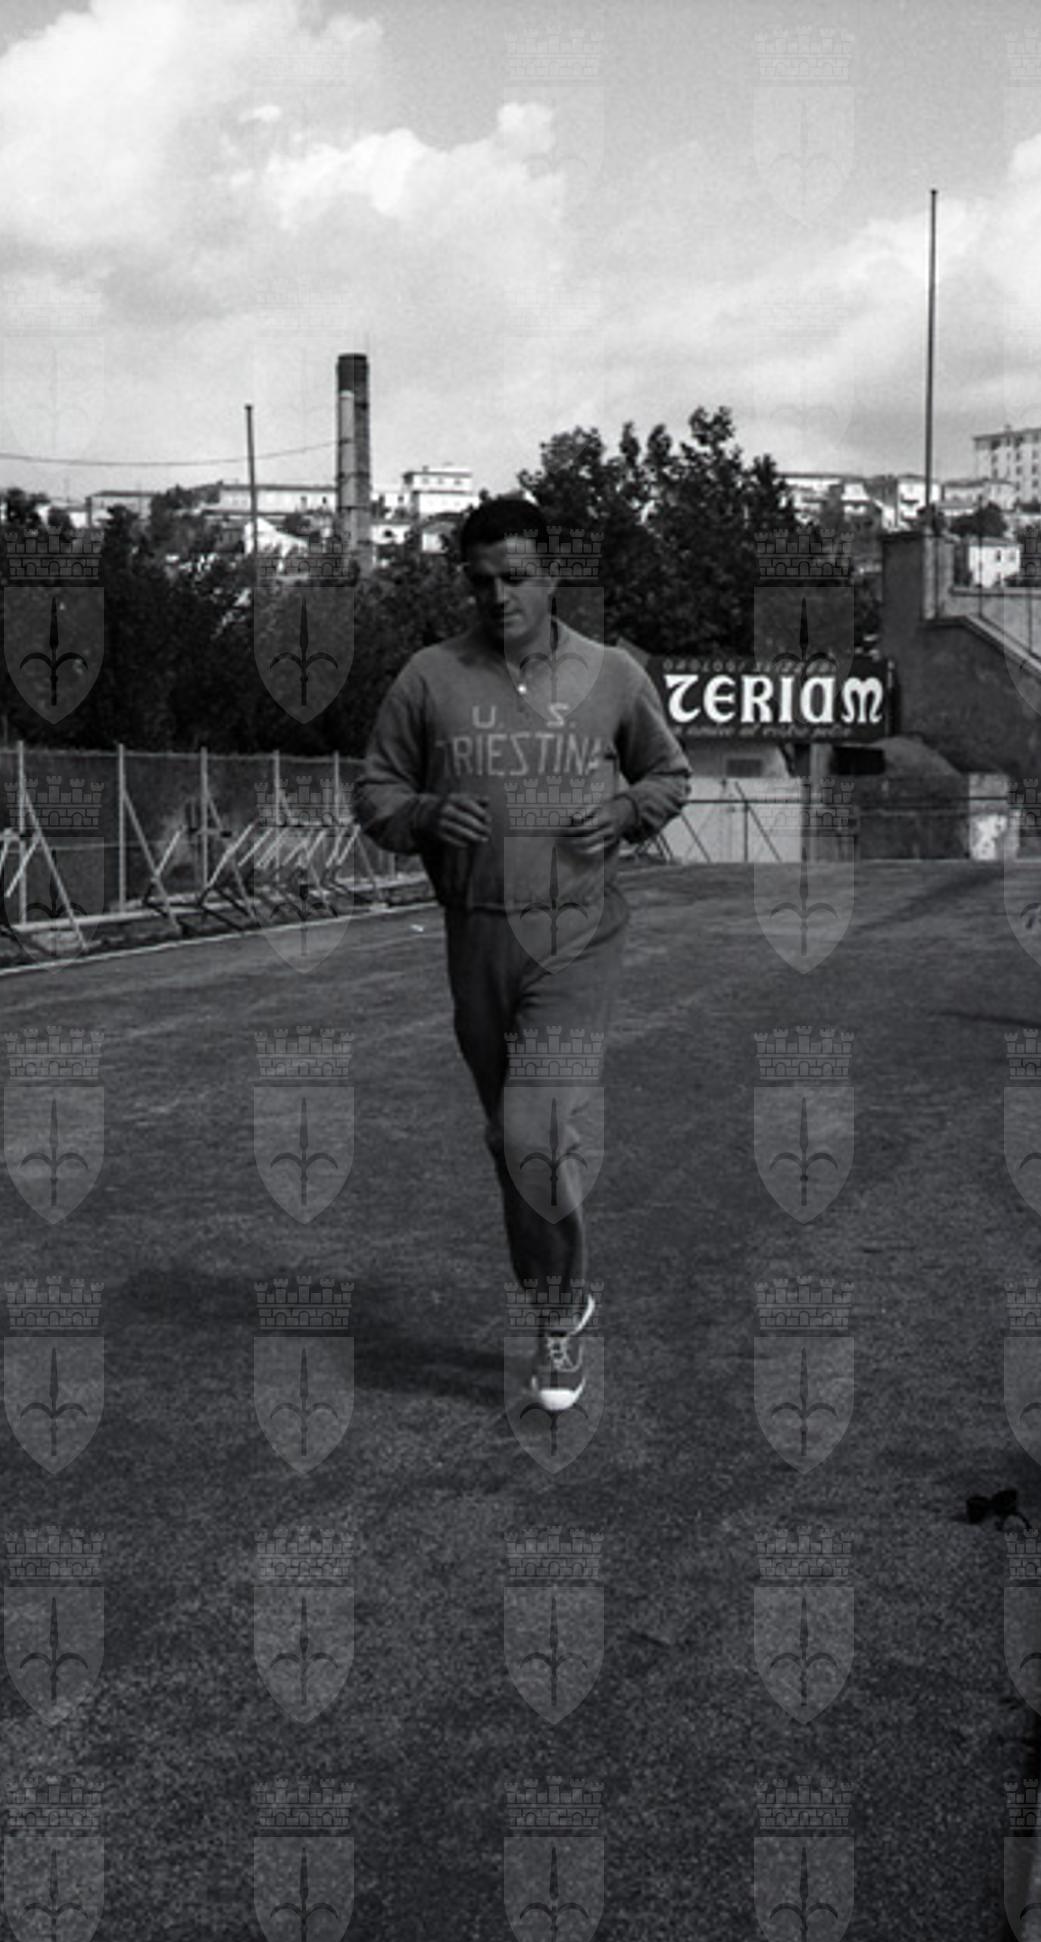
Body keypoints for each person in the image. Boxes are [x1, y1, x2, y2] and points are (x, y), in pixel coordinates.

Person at [352, 498, 691, 1407]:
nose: (497, 597)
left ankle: (559, 1317)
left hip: (577, 935)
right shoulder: (429, 678)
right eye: (480, 583)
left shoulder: (611, 675)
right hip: (477, 936)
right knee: (513, 1143)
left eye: (514, 579)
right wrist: (425, 813)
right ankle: (552, 1305)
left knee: (532, 1130)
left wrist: (623, 811)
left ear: (551, 577)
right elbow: (375, 791)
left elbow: (669, 774)